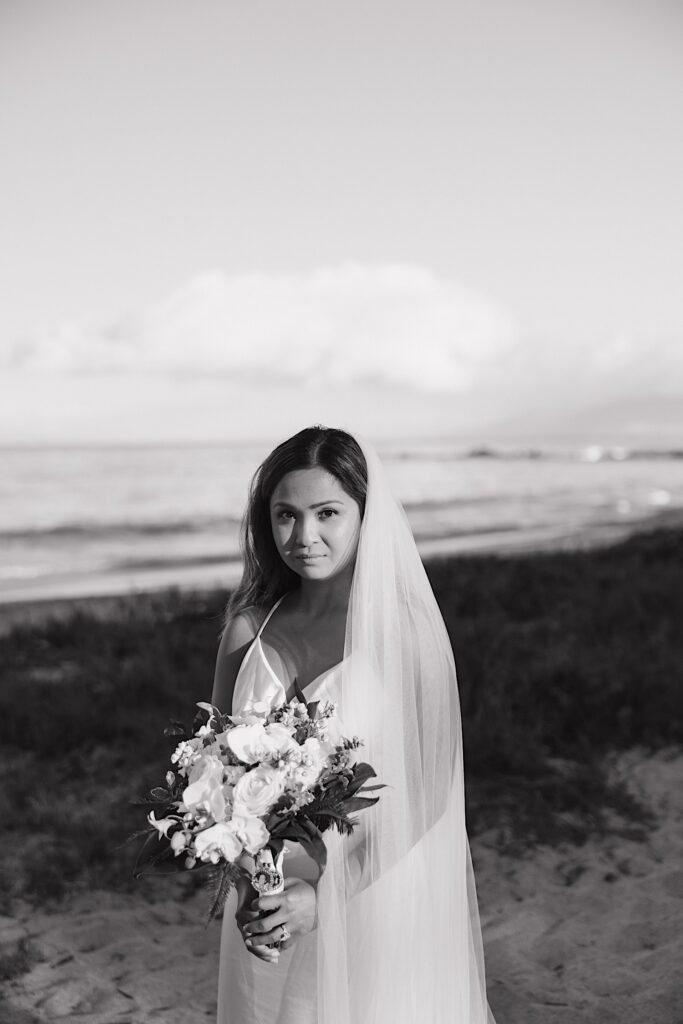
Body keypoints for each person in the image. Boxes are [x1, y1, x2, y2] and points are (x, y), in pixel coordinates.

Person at [212, 426, 494, 1024]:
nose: (304, 535)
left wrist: (325, 898)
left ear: (365, 516)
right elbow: (218, 779)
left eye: (327, 513)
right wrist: (245, 892)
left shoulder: (404, 631)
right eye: (286, 515)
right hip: (267, 907)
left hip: (374, 889)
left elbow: (430, 787)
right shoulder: (248, 628)